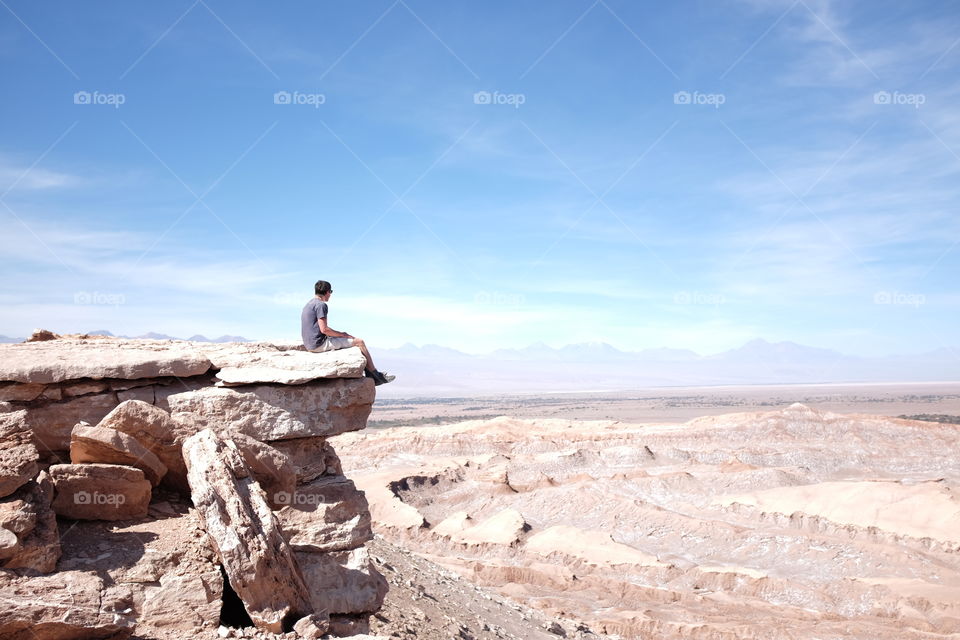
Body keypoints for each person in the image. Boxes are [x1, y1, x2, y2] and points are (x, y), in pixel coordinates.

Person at [301, 280, 395, 386]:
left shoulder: (308, 304)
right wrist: (342, 335)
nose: (330, 295)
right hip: (318, 344)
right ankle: (376, 375)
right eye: (330, 292)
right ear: (327, 292)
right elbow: (324, 330)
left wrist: (339, 333)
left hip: (309, 344)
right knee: (359, 342)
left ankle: (370, 373)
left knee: (351, 340)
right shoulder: (321, 305)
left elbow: (319, 327)